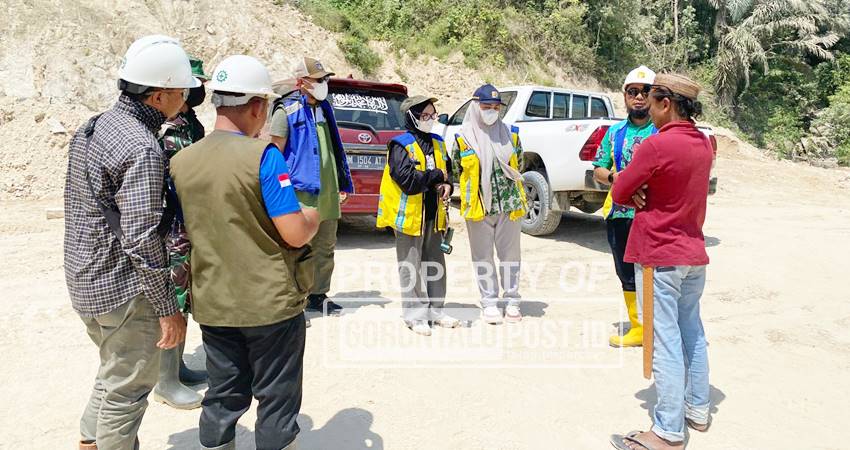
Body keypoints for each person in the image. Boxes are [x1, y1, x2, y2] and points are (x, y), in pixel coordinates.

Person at [170, 55, 321, 450]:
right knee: (276, 399)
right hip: (269, 304)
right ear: (257, 106)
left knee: (222, 395)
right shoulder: (264, 157)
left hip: (214, 303)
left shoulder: (182, 161)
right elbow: (294, 234)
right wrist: (312, 217)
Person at [64, 35, 195, 450]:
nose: (187, 98)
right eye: (181, 91)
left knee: (113, 371)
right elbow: (141, 238)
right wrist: (167, 309)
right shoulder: (142, 147)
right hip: (123, 288)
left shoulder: (95, 126)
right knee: (129, 390)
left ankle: (89, 441)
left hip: (85, 279)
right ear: (159, 96)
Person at [609, 73, 713, 450]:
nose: (647, 108)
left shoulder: (655, 145)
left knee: (665, 340)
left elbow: (620, 191)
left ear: (665, 103)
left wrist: (636, 186)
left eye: (651, 100)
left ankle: (667, 431)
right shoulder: (704, 143)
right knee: (692, 332)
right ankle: (697, 410)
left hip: (659, 254)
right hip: (692, 253)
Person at [269, 56, 353, 315]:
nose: (324, 83)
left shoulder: (325, 109)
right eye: (319, 80)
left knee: (325, 246)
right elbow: (275, 154)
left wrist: (340, 182)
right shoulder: (286, 111)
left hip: (327, 191)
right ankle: (295, 302)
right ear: (301, 83)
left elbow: (333, 150)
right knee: (297, 248)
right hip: (301, 191)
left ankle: (318, 294)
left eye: (325, 79)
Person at [153, 55, 211, 410]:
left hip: (189, 223)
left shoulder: (190, 123)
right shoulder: (158, 127)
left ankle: (178, 365)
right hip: (169, 227)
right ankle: (165, 380)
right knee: (171, 296)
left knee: (185, 296)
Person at [376, 95, 459, 336]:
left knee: (435, 263)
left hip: (434, 215)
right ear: (412, 117)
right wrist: (434, 176)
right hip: (410, 217)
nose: (430, 120)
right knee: (410, 265)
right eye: (425, 116)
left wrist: (448, 185)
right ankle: (415, 315)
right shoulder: (400, 146)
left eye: (433, 115)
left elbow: (448, 172)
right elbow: (408, 182)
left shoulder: (438, 143)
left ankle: (436, 310)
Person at [592, 65, 657, 348]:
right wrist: (614, 177)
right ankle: (638, 327)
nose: (639, 97)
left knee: (655, 271)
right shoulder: (614, 132)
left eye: (645, 92)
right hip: (619, 212)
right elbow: (597, 168)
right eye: (633, 92)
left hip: (653, 212)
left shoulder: (663, 130)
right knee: (626, 271)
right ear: (625, 96)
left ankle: (658, 327)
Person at [452, 84, 527, 325]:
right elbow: (455, 168)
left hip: (509, 205)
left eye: (496, 107)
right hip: (478, 206)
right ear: (476, 107)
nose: (492, 111)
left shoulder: (511, 134)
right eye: (487, 107)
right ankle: (489, 302)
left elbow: (520, 164)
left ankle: (512, 299)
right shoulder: (462, 138)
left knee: (510, 254)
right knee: (482, 256)